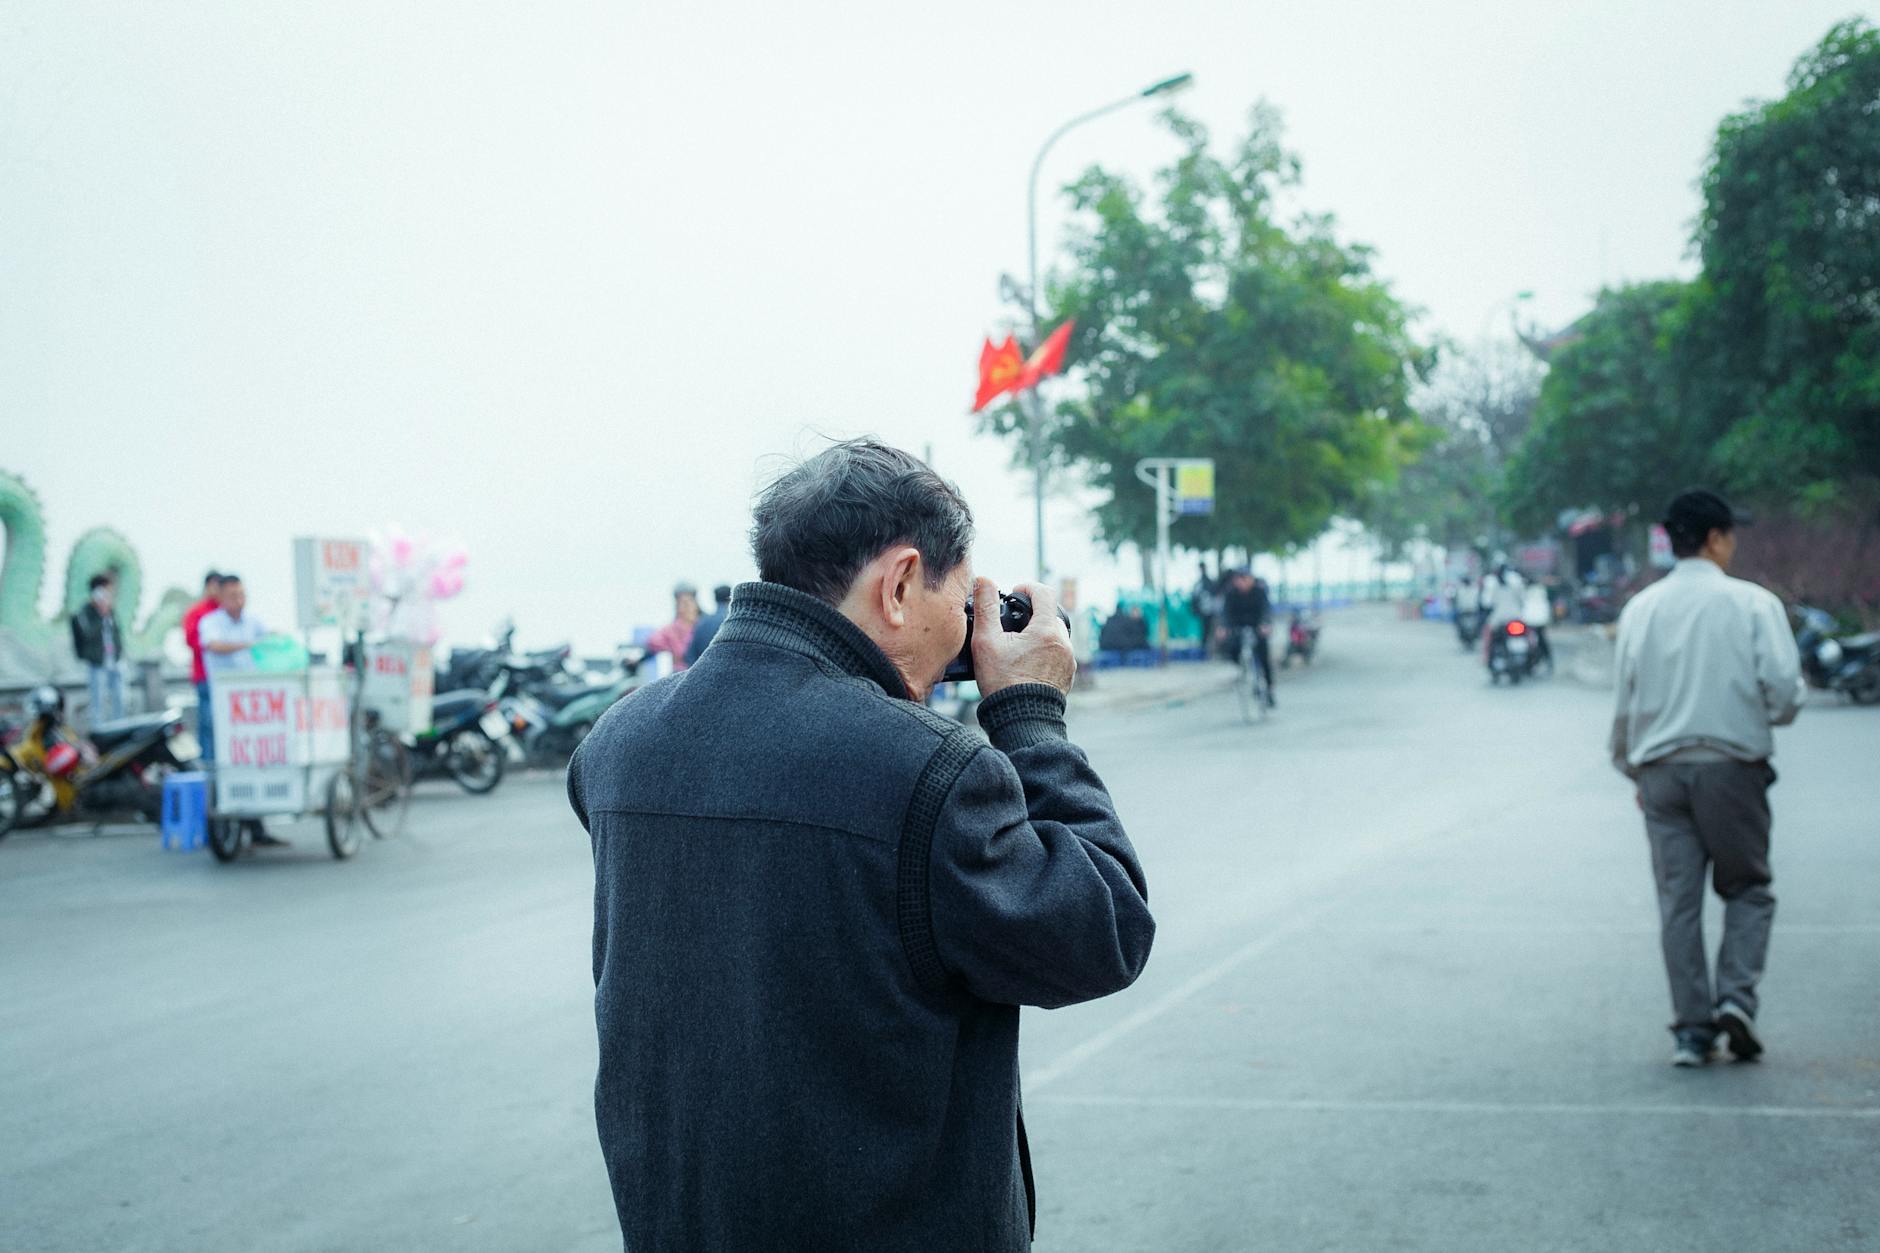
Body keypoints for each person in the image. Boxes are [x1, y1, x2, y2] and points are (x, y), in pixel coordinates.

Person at [567, 438, 1152, 1251]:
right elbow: (1102, 931)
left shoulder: (619, 743)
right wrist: (1028, 713)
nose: (967, 631)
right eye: (962, 600)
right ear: (902, 582)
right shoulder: (928, 769)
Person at [1610, 489, 1805, 1068]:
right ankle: (1737, 1002)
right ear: (1717, 539)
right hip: (1731, 770)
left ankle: (1691, 1031)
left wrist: (1635, 770)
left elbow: (1625, 705)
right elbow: (1786, 695)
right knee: (1747, 889)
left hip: (1661, 774)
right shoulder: (1752, 604)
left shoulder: (1641, 609)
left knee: (1679, 905)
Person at [197, 576, 288, 848]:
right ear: (221, 597)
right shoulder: (211, 622)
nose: (239, 600)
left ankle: (256, 826)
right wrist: (249, 645)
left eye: (242, 594)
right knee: (220, 764)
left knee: (255, 763)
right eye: (233, 595)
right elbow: (212, 645)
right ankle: (220, 825)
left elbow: (271, 640)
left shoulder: (253, 622)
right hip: (223, 708)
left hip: (252, 712)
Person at [70, 573, 125, 724]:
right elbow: (88, 635)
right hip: (97, 663)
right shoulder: (85, 612)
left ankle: (119, 729)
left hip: (114, 660)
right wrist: (100, 614)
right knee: (98, 701)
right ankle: (99, 733)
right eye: (105, 590)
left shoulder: (111, 611)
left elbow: (116, 634)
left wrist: (119, 652)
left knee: (119, 699)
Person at [1218, 567, 1275, 706]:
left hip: (1257, 628)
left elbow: (1266, 610)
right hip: (1238, 628)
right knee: (1231, 649)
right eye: (1239, 579)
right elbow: (1225, 613)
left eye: (1244, 579)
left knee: (1264, 658)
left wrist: (1265, 624)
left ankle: (1269, 689)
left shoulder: (1259, 592)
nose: (1241, 582)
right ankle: (1244, 668)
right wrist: (1223, 627)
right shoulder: (1231, 594)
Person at [183, 571, 224, 760]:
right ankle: (207, 764)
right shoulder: (197, 613)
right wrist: (217, 646)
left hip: (225, 678)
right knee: (207, 723)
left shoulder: (225, 611)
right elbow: (192, 641)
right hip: (204, 676)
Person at [642, 582, 701, 672]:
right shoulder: (670, 630)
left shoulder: (703, 626)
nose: (687, 607)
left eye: (690, 602)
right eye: (683, 603)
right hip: (681, 673)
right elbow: (653, 642)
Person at [682, 583, 734, 667]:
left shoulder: (701, 623)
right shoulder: (733, 622)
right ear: (731, 599)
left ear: (715, 599)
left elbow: (688, 655)